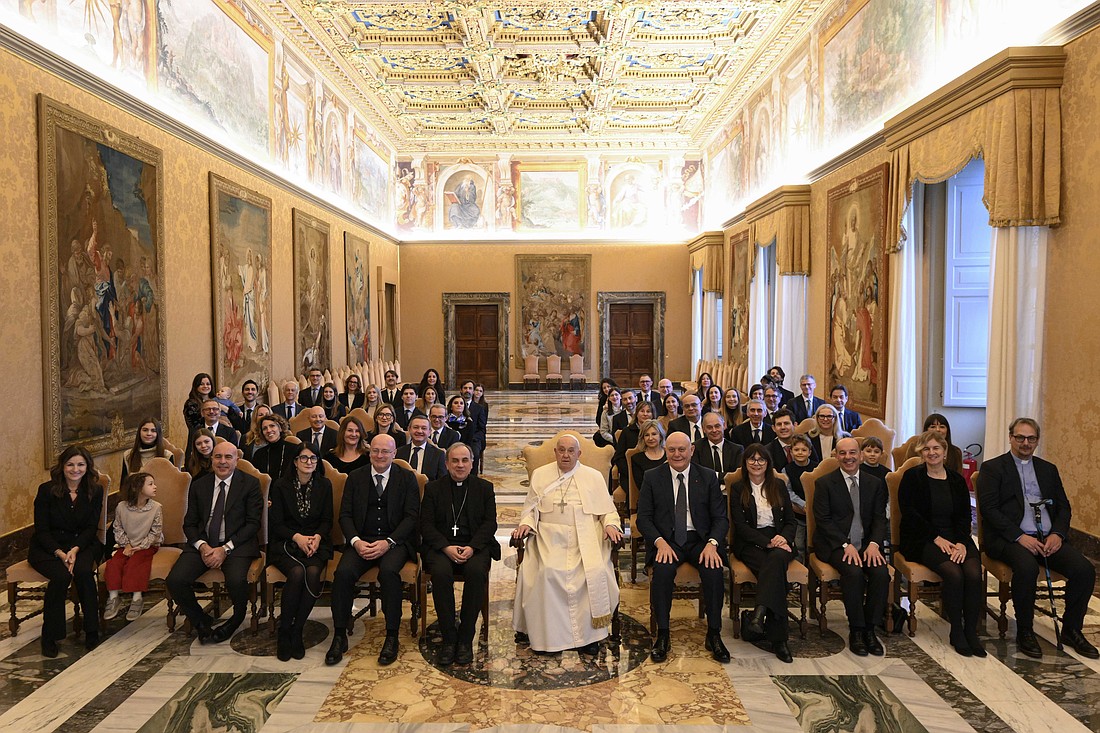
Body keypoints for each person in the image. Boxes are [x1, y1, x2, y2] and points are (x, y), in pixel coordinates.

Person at [977, 418, 1098, 659]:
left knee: (1084, 570)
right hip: (1008, 538)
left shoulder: (1047, 469)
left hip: (1047, 538)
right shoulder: (993, 468)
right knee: (1027, 567)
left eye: (1031, 438)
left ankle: (1072, 630)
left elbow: (1064, 507)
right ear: (1010, 437)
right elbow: (989, 510)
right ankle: (1025, 631)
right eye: (1020, 437)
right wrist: (1019, 536)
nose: (1025, 443)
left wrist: (1058, 534)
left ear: (1036, 441)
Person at [512, 435, 621, 654]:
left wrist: (610, 525)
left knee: (595, 571)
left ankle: (590, 637)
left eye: (571, 451)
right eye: (561, 450)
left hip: (587, 536)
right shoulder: (541, 475)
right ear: (555, 452)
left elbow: (608, 511)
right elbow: (530, 510)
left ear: (579, 454)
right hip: (549, 537)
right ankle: (547, 637)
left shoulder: (594, 477)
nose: (565, 455)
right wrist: (525, 524)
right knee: (546, 572)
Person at [326, 435, 421, 666]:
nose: (380, 456)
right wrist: (356, 541)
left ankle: (391, 635)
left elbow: (411, 517)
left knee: (388, 573)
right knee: (343, 574)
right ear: (369, 453)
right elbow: (345, 515)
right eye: (376, 451)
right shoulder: (356, 477)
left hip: (394, 542)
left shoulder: (406, 478)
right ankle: (339, 634)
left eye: (385, 452)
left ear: (394, 454)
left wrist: (388, 542)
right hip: (361, 541)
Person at [636, 431, 729, 663]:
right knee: (663, 571)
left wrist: (712, 544)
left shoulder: (707, 476)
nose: (677, 454)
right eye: (672, 449)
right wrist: (659, 543)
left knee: (713, 570)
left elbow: (720, 518)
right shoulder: (652, 476)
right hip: (667, 541)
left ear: (691, 451)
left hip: (700, 540)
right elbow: (643, 518)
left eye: (681, 449)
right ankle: (663, 634)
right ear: (665, 450)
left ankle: (714, 633)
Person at [166, 440, 263, 644]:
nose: (222, 462)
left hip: (237, 545)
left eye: (228, 457)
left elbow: (252, 524)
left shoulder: (251, 484)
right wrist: (203, 546)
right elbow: (190, 524)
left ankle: (236, 619)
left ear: (237, 460)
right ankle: (201, 621)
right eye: (218, 457)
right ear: (211, 459)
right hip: (204, 544)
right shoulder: (199, 485)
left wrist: (225, 549)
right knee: (175, 580)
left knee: (236, 580)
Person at [899, 431, 984, 657]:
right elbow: (910, 515)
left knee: (974, 573)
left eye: (936, 448)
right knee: (954, 573)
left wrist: (962, 543)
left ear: (945, 452)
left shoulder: (956, 480)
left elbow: (965, 516)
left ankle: (971, 632)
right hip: (923, 538)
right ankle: (956, 630)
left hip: (956, 537)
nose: (931, 453)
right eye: (926, 449)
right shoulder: (912, 477)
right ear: (921, 453)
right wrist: (937, 538)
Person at [420, 443, 498, 665]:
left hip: (475, 546)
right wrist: (446, 547)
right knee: (441, 573)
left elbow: (490, 523)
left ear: (472, 463)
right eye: (455, 461)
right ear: (446, 464)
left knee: (475, 571)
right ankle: (449, 637)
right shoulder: (434, 489)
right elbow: (426, 525)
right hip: (442, 547)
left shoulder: (484, 488)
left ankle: (465, 637)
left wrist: (472, 547)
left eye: (465, 460)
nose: (460, 465)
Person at [813, 437, 890, 656]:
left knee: (881, 574)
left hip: (867, 544)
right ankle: (856, 629)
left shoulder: (874, 483)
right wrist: (845, 544)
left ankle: (870, 629)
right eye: (843, 453)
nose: (848, 457)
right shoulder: (825, 483)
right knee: (853, 573)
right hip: (835, 544)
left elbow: (879, 519)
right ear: (836, 456)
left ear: (861, 455)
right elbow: (824, 521)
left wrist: (875, 544)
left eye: (853, 453)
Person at [29, 446, 104, 656]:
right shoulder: (46, 490)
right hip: (48, 546)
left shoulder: (95, 490)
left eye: (80, 464)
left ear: (87, 466)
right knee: (61, 577)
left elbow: (91, 527)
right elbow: (41, 530)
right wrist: (60, 553)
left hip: (82, 543)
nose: (75, 469)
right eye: (70, 464)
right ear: (62, 466)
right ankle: (50, 636)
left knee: (83, 572)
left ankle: (91, 630)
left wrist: (75, 549)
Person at [730, 444, 796, 663]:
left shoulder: (778, 485)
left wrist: (782, 539)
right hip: (750, 543)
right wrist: (768, 543)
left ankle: (758, 614)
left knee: (776, 561)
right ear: (745, 463)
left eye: (761, 460)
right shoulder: (739, 488)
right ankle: (780, 640)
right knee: (776, 571)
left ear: (768, 463)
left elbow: (790, 521)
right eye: (752, 459)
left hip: (780, 541)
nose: (756, 463)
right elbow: (741, 526)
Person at [268, 442, 333, 661]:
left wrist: (317, 538)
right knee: (296, 573)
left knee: (313, 573)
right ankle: (284, 630)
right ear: (295, 462)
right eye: (303, 458)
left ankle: (297, 631)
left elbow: (327, 520)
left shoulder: (325, 485)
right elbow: (276, 523)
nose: (308, 462)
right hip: (286, 542)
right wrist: (297, 537)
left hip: (316, 543)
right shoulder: (280, 486)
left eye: (313, 458)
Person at [104, 472, 162, 623]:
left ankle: (137, 598)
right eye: (150, 484)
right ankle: (113, 597)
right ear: (137, 488)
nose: (155, 487)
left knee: (136, 564)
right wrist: (126, 545)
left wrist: (141, 546)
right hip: (126, 545)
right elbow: (117, 528)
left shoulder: (156, 508)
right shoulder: (121, 507)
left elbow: (155, 532)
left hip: (148, 545)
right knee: (114, 563)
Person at [781, 433, 817, 562]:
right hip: (797, 515)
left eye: (804, 450)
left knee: (814, 545)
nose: (800, 453)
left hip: (815, 514)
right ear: (790, 451)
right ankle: (800, 574)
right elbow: (788, 491)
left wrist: (811, 504)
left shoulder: (816, 468)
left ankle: (813, 574)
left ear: (810, 452)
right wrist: (803, 504)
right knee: (799, 545)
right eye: (796, 450)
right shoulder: (787, 470)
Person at [614, 401, 657, 491]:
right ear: (636, 413)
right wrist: (630, 471)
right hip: (630, 474)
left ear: (653, 414)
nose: (645, 414)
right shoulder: (626, 432)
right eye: (642, 411)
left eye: (648, 411)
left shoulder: (658, 432)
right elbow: (619, 457)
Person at [691, 411, 744, 478]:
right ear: (703, 429)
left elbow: (737, 476)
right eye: (709, 427)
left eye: (717, 426)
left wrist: (714, 475)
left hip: (729, 487)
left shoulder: (737, 450)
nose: (714, 430)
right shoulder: (696, 448)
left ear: (724, 426)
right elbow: (697, 474)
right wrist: (724, 475)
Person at [397, 414, 446, 480]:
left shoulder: (438, 455)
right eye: (416, 427)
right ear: (409, 429)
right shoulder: (400, 452)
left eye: (424, 428)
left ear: (429, 432)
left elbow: (442, 480)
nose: (419, 431)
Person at [250, 414, 294, 479]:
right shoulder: (259, 454)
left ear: (280, 428)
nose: (269, 430)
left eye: (272, 426)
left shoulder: (294, 449)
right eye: (265, 428)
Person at [630, 420, 668, 491]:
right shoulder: (636, 459)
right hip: (648, 498)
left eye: (654, 434)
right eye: (647, 435)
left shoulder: (669, 456)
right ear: (643, 438)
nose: (650, 438)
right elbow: (641, 487)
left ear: (660, 436)